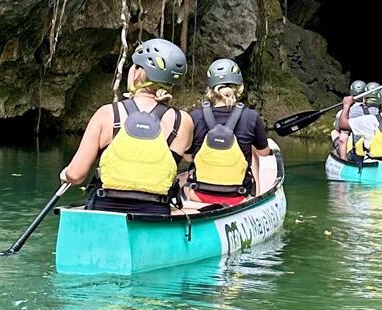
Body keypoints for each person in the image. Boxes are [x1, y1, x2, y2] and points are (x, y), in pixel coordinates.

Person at [60, 38, 194, 216]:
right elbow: (186, 157)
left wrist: (66, 174)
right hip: (155, 212)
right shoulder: (182, 121)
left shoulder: (107, 114)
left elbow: (76, 175)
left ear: (138, 72)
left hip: (105, 210)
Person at [186, 58, 271, 205]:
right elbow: (264, 153)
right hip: (238, 196)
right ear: (239, 88)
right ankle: (256, 196)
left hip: (199, 194)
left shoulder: (195, 116)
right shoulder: (251, 117)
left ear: (210, 89)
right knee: (253, 153)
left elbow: (188, 157)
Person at [334, 79, 373, 159]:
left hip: (353, 152)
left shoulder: (342, 114)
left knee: (334, 132)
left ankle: (341, 156)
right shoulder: (375, 112)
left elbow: (342, 139)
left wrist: (343, 160)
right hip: (370, 151)